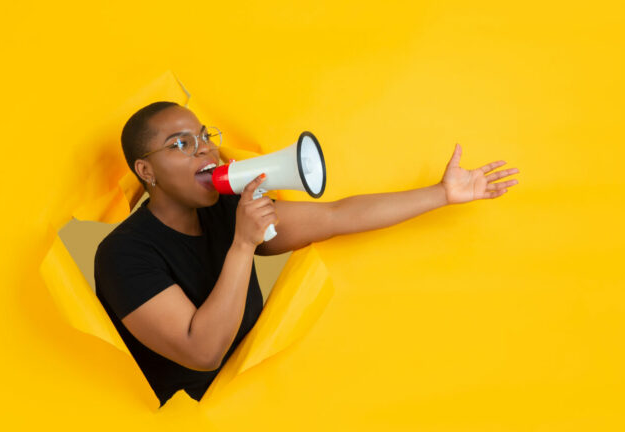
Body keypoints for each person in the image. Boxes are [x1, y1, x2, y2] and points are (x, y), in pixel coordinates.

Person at [94, 100, 520, 407]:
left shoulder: (229, 210)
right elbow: (202, 352)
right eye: (180, 144)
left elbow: (337, 216)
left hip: (259, 406)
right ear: (145, 171)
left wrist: (442, 194)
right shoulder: (123, 254)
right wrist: (244, 244)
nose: (205, 148)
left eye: (205, 137)